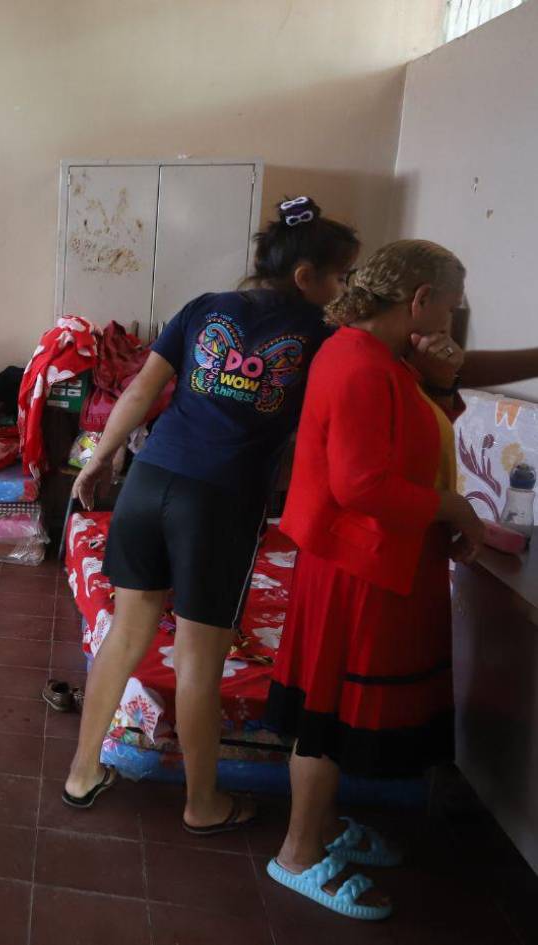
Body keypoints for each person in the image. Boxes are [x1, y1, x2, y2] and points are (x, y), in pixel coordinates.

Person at [63, 197, 361, 831]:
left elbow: (143, 389)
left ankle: (82, 773)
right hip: (218, 504)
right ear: (306, 276)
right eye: (340, 277)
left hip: (148, 485)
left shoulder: (204, 308)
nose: (342, 291)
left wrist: (97, 462)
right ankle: (203, 805)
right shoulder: (323, 337)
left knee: (126, 632)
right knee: (200, 657)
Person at [262, 241, 485, 920]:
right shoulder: (359, 364)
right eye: (451, 302)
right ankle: (297, 855)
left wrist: (443, 385)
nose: (454, 315)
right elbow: (361, 483)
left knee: (331, 711)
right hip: (353, 565)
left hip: (369, 559)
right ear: (419, 299)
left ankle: (323, 827)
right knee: (323, 719)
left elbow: (414, 441)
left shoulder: (382, 359)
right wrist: (453, 505)